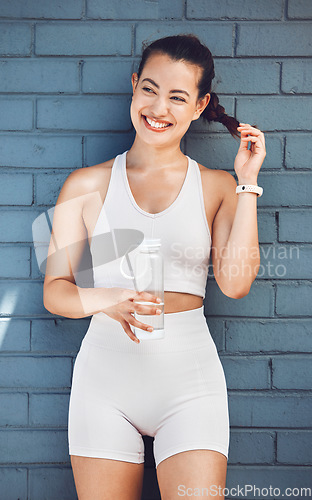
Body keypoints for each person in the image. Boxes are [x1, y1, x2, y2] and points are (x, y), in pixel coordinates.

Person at [43, 34, 266, 500]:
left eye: (177, 97)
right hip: (104, 380)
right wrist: (107, 299)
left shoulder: (218, 186)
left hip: (190, 381)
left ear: (201, 104)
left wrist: (248, 185)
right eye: (149, 89)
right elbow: (55, 291)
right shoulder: (85, 183)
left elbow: (236, 283)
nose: (158, 107)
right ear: (133, 86)